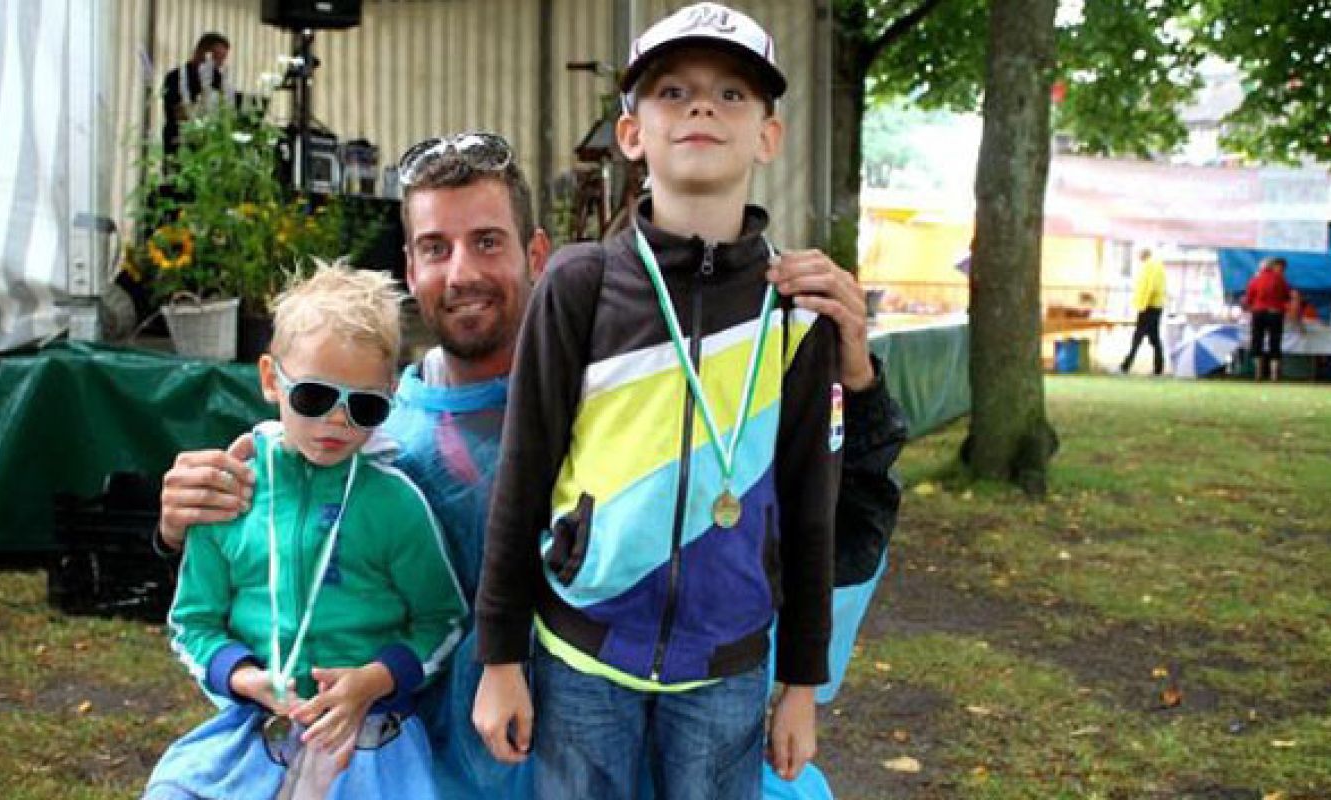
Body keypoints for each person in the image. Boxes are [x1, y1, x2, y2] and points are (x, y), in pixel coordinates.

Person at [157, 131, 902, 798]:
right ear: (408, 267)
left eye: (487, 241)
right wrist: (182, 524)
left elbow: (843, 530)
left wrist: (857, 384)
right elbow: (284, 589)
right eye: (434, 248)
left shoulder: (642, 404)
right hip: (447, 778)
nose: (460, 274)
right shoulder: (368, 432)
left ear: (536, 255)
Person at [471, 5, 841, 797]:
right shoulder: (579, 284)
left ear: (768, 137)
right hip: (579, 655)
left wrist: (802, 684)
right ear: (631, 132)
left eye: (731, 94)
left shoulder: (796, 310)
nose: (701, 107)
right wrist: (499, 659)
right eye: (672, 91)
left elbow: (813, 508)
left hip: (727, 663)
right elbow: (523, 475)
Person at [144, 267, 467, 800]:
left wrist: (373, 681)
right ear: (272, 379)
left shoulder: (396, 503)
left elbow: (443, 620)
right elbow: (193, 624)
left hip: (372, 735)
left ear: (391, 394)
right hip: (254, 730)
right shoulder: (233, 492)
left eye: (365, 406)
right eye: (315, 397)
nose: (339, 421)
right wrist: (244, 677)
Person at [162, 33, 233, 162]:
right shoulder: (175, 77)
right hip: (179, 142)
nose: (220, 64)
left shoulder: (218, 78)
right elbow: (179, 112)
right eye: (217, 58)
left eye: (223, 59)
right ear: (203, 53)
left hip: (209, 144)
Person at [1243, 257, 1291, 381]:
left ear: (1261, 267)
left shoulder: (1255, 280)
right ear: (1272, 267)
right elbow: (1287, 296)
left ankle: (1258, 373)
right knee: (1275, 341)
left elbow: (1248, 299)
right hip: (1275, 313)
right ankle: (1274, 375)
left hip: (1258, 312)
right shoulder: (1280, 279)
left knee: (1257, 340)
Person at [1119, 248, 1166, 375]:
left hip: (1148, 306)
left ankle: (1125, 366)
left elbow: (1149, 287)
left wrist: (1142, 305)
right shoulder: (1157, 266)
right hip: (1156, 306)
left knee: (1138, 337)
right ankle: (1158, 368)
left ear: (1142, 255)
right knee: (1154, 338)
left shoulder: (1149, 266)